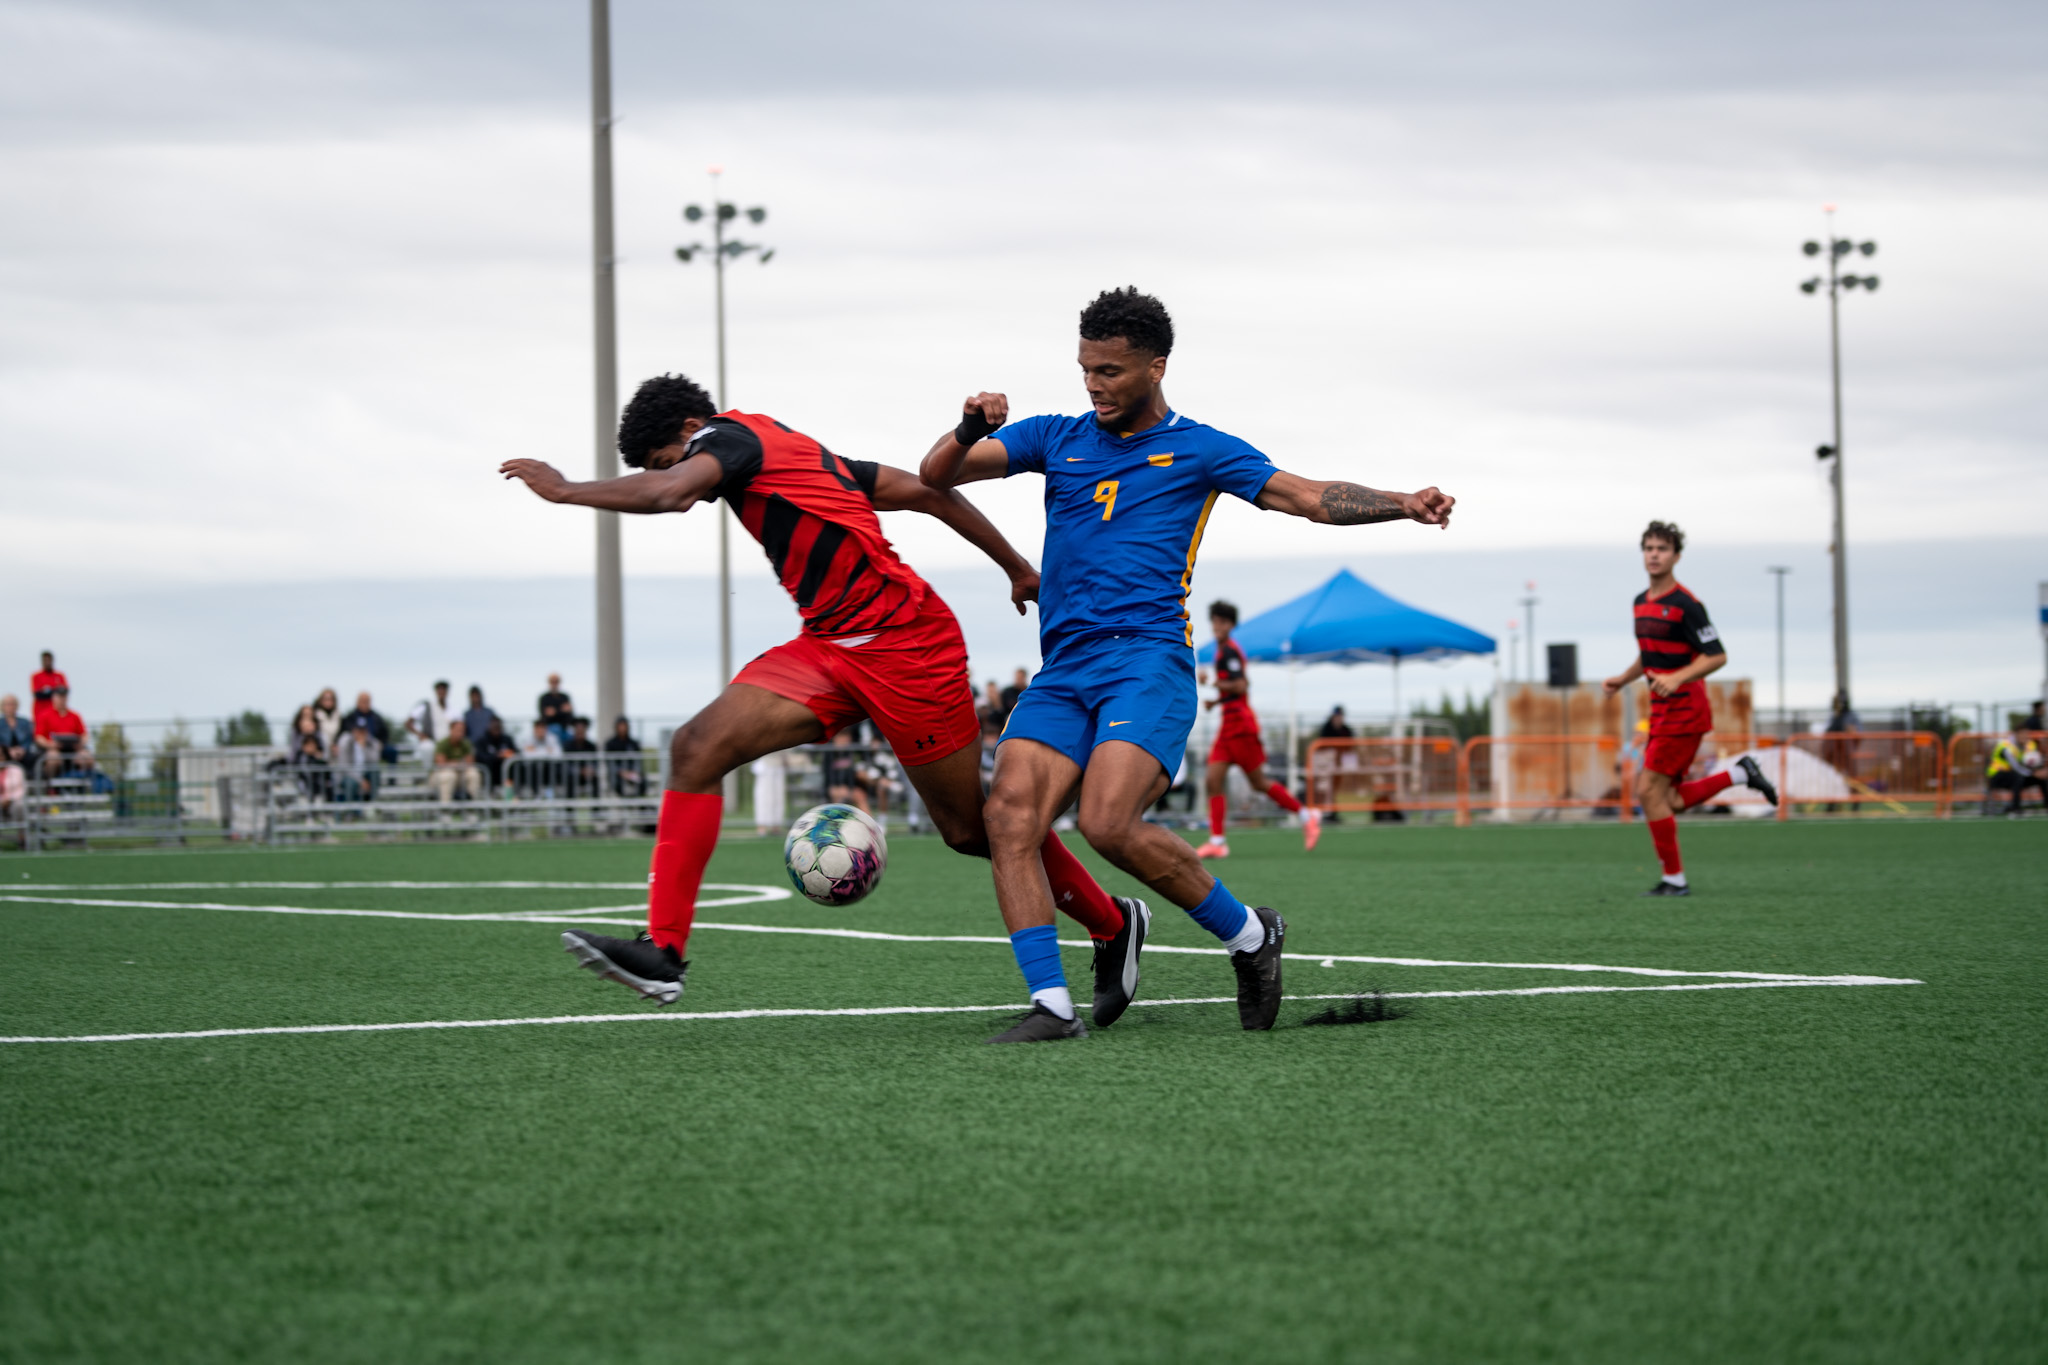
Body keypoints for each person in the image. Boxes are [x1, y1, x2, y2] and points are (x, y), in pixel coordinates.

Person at [502, 370, 1135, 1016]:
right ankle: (664, 951)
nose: (685, 482)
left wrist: (565, 489)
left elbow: (671, 494)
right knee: (695, 747)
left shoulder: (729, 440)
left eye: (670, 459)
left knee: (972, 829)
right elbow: (927, 493)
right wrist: (1015, 566)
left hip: (905, 643)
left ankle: (1113, 923)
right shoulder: (789, 451)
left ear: (693, 431)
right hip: (830, 645)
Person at [920, 286, 1454, 1039]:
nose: (1093, 384)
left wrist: (1404, 501)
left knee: (1107, 823)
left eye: (1109, 370)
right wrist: (970, 424)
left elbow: (1304, 495)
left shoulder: (1201, 449)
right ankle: (1052, 1004)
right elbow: (940, 472)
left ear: (1155, 366)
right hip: (1065, 669)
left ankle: (1250, 936)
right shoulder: (1055, 436)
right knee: (1008, 816)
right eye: (1085, 368)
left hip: (1148, 662)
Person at [1601, 521, 1777, 896]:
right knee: (1669, 800)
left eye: (1662, 548)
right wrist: (1623, 678)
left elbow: (1717, 656)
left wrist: (1680, 676)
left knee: (1647, 790)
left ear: (1676, 556)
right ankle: (1739, 775)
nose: (1654, 554)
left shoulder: (1687, 605)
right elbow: (1648, 655)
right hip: (1663, 710)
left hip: (1685, 711)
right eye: (1648, 547)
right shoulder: (1640, 602)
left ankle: (1675, 880)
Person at [1194, 599, 1319, 858]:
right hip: (1228, 725)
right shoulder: (1221, 651)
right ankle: (1218, 841)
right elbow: (1233, 690)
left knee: (1259, 783)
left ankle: (1307, 815)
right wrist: (1215, 700)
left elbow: (1241, 686)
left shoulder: (1229, 651)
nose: (1218, 626)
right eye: (1215, 621)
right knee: (1212, 780)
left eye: (1223, 621)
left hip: (1240, 726)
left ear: (1231, 625)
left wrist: (1213, 683)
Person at [35, 686, 89, 775]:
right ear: (53, 698)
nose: (62, 699)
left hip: (73, 749)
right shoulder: (44, 715)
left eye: (64, 697)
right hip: (53, 749)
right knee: (53, 757)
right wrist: (50, 745)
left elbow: (84, 734)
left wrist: (81, 744)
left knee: (86, 757)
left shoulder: (75, 716)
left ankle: (81, 782)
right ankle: (52, 785)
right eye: (59, 696)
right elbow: (39, 737)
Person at [430, 718, 482, 802]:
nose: (461, 733)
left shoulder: (466, 744)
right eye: (458, 730)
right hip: (440, 776)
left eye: (462, 731)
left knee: (474, 774)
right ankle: (445, 809)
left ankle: (472, 808)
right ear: (451, 730)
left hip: (460, 774)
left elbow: (470, 763)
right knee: (448, 775)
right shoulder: (442, 743)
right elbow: (441, 764)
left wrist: (453, 763)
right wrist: (457, 763)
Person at [0, 693, 34, 820]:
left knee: (34, 758)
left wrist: (22, 750)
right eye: (8, 704)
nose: (11, 707)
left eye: (13, 704)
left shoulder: (24, 722)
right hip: (4, 754)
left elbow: (29, 739)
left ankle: (22, 837)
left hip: (22, 756)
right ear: (3, 707)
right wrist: (8, 751)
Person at [331, 716, 381, 802]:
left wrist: (363, 747)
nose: (360, 733)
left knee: (375, 772)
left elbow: (375, 760)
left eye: (363, 730)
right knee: (351, 783)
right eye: (358, 730)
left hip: (365, 774)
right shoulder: (345, 741)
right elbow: (344, 766)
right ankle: (350, 810)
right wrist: (361, 780)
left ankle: (372, 803)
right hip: (347, 775)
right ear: (353, 730)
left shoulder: (372, 742)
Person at [343, 692, 396, 763]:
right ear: (357, 702)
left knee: (391, 751)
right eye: (363, 701)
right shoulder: (351, 717)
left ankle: (392, 773)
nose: (365, 704)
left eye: (367, 701)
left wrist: (382, 743)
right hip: (354, 746)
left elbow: (384, 732)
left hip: (373, 744)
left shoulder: (376, 717)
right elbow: (346, 730)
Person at [475, 715, 519, 792]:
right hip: (490, 772)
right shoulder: (482, 740)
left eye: (498, 726)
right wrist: (496, 756)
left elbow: (517, 752)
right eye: (494, 725)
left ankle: (514, 792)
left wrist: (509, 754)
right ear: (489, 726)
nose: (496, 728)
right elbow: (480, 756)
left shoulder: (507, 739)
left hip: (506, 773)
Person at [605, 717, 647, 798]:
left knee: (642, 781)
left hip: (632, 774)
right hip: (617, 775)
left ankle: (640, 805)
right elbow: (609, 762)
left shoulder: (633, 743)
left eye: (624, 725)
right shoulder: (610, 743)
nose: (623, 728)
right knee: (618, 784)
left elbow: (638, 761)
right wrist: (621, 772)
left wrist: (634, 772)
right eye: (620, 726)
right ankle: (625, 804)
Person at [407, 681, 454, 752]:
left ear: (447, 691)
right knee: (427, 746)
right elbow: (408, 723)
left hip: (448, 744)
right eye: (439, 689)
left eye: (443, 689)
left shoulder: (453, 710)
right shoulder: (427, 707)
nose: (441, 692)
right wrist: (420, 735)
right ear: (436, 691)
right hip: (431, 742)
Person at [30, 651, 66, 734]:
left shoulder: (60, 676)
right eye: (45, 660)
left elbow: (64, 691)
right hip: (40, 712)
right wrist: (55, 690)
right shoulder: (36, 676)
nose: (47, 662)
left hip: (57, 713)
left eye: (49, 660)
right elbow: (38, 694)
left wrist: (48, 691)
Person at [462, 686, 500, 756]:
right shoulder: (467, 714)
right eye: (473, 696)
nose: (475, 698)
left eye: (477, 695)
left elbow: (496, 727)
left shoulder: (489, 712)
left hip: (488, 745)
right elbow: (464, 732)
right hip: (472, 745)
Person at [538, 674, 574, 742]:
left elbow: (570, 714)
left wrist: (555, 712)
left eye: (556, 681)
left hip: (564, 728)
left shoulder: (565, 697)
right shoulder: (544, 698)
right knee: (556, 729)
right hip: (549, 728)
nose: (554, 684)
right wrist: (562, 711)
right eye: (552, 681)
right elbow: (544, 715)